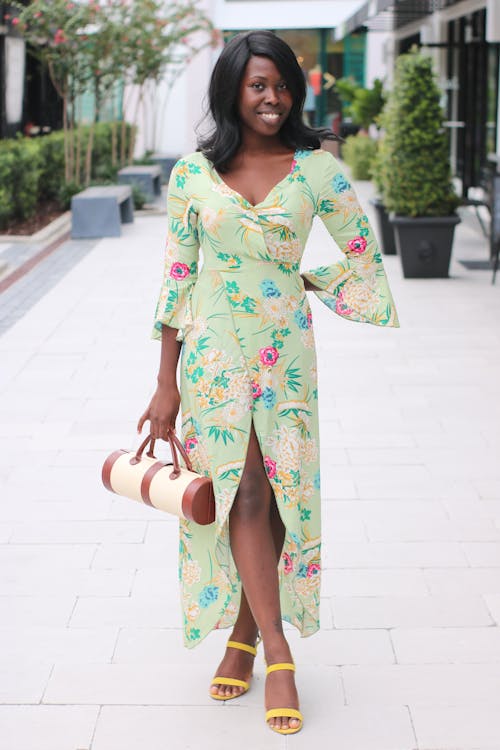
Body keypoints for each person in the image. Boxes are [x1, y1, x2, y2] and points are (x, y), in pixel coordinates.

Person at [138, 30, 399, 736]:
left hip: (286, 355)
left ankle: (245, 635)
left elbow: (365, 258)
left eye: (282, 84)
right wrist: (165, 384)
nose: (272, 98)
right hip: (214, 355)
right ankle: (278, 652)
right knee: (244, 486)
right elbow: (177, 278)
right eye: (258, 85)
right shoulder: (192, 174)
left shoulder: (317, 171)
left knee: (281, 489)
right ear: (232, 90)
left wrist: (305, 282)